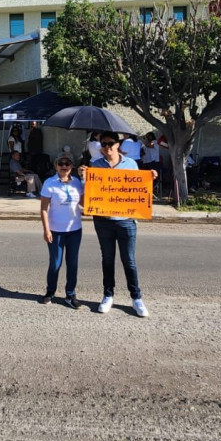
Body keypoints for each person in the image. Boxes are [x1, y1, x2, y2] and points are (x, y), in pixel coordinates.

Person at [82, 130, 154, 318]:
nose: (106, 147)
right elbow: (89, 195)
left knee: (129, 261)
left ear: (117, 145)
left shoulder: (131, 164)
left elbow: (138, 189)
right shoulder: (95, 165)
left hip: (126, 221)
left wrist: (150, 178)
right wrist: (84, 177)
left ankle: (136, 297)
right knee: (107, 259)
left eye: (110, 143)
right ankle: (108, 294)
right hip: (103, 221)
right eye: (103, 144)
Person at [39, 154, 84, 308]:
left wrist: (86, 181)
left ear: (72, 166)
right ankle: (50, 291)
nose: (64, 166)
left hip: (74, 230)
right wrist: (46, 230)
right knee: (55, 263)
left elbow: (85, 204)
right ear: (56, 165)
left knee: (72, 263)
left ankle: (70, 294)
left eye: (68, 163)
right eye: (61, 163)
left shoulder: (77, 182)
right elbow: (44, 208)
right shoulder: (49, 183)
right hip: (56, 230)